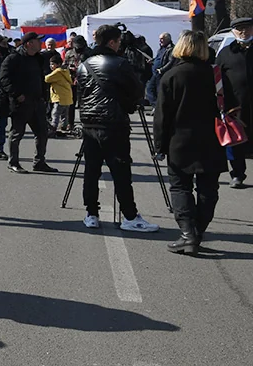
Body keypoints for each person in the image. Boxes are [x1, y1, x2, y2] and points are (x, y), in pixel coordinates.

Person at [155, 31, 231, 256]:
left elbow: (162, 116)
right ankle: (197, 231)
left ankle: (188, 233)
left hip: (180, 140)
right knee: (209, 189)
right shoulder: (216, 75)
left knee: (180, 187)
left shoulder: (172, 76)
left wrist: (159, 146)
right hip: (212, 138)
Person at [77, 24, 159, 232]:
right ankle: (130, 216)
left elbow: (81, 94)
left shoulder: (83, 64)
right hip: (113, 123)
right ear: (112, 42)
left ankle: (91, 214)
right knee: (121, 171)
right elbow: (136, 91)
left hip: (89, 123)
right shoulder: (120, 64)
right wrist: (128, 104)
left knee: (91, 170)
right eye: (118, 42)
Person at [0, 32, 58, 174]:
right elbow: (4, 79)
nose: (40, 43)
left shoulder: (38, 58)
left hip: (37, 102)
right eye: (37, 41)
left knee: (42, 132)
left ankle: (39, 162)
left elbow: (41, 78)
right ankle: (13, 162)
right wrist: (17, 95)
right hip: (20, 104)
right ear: (29, 43)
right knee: (17, 133)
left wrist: (44, 96)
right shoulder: (13, 58)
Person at [215, 17, 252, 189]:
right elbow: (217, 80)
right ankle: (237, 174)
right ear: (233, 32)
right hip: (235, 106)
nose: (244, 32)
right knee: (237, 143)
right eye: (240, 29)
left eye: (248, 28)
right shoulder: (225, 53)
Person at [62, 34, 89, 132]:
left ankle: (85, 123)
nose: (78, 46)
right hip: (71, 81)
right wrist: (70, 68)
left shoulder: (88, 52)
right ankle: (70, 123)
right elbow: (64, 66)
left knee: (84, 103)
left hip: (85, 81)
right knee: (71, 104)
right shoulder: (69, 53)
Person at [45, 54, 74, 135]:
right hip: (67, 97)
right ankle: (64, 127)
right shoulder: (65, 71)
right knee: (65, 115)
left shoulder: (57, 72)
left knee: (55, 113)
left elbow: (47, 79)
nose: (51, 66)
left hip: (59, 97)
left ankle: (53, 128)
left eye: (53, 64)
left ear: (58, 64)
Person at [146, 33, 174, 107]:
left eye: (162, 39)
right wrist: (152, 60)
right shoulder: (161, 48)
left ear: (167, 39)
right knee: (149, 89)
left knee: (160, 91)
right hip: (155, 73)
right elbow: (159, 58)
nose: (160, 41)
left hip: (161, 73)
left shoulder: (171, 49)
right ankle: (156, 106)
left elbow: (171, 62)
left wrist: (162, 70)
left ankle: (160, 107)